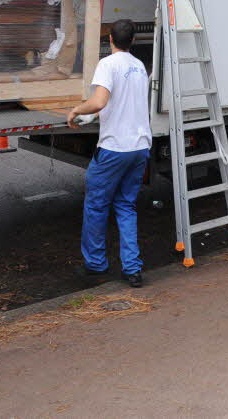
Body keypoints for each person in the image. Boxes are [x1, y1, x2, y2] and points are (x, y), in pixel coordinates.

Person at [68, 18, 152, 289]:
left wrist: (77, 110)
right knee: (126, 206)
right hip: (139, 147)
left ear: (110, 39)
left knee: (96, 205)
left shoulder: (107, 64)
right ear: (133, 40)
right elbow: (124, 103)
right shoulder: (139, 67)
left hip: (115, 148)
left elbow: (99, 101)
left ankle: (95, 263)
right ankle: (132, 269)